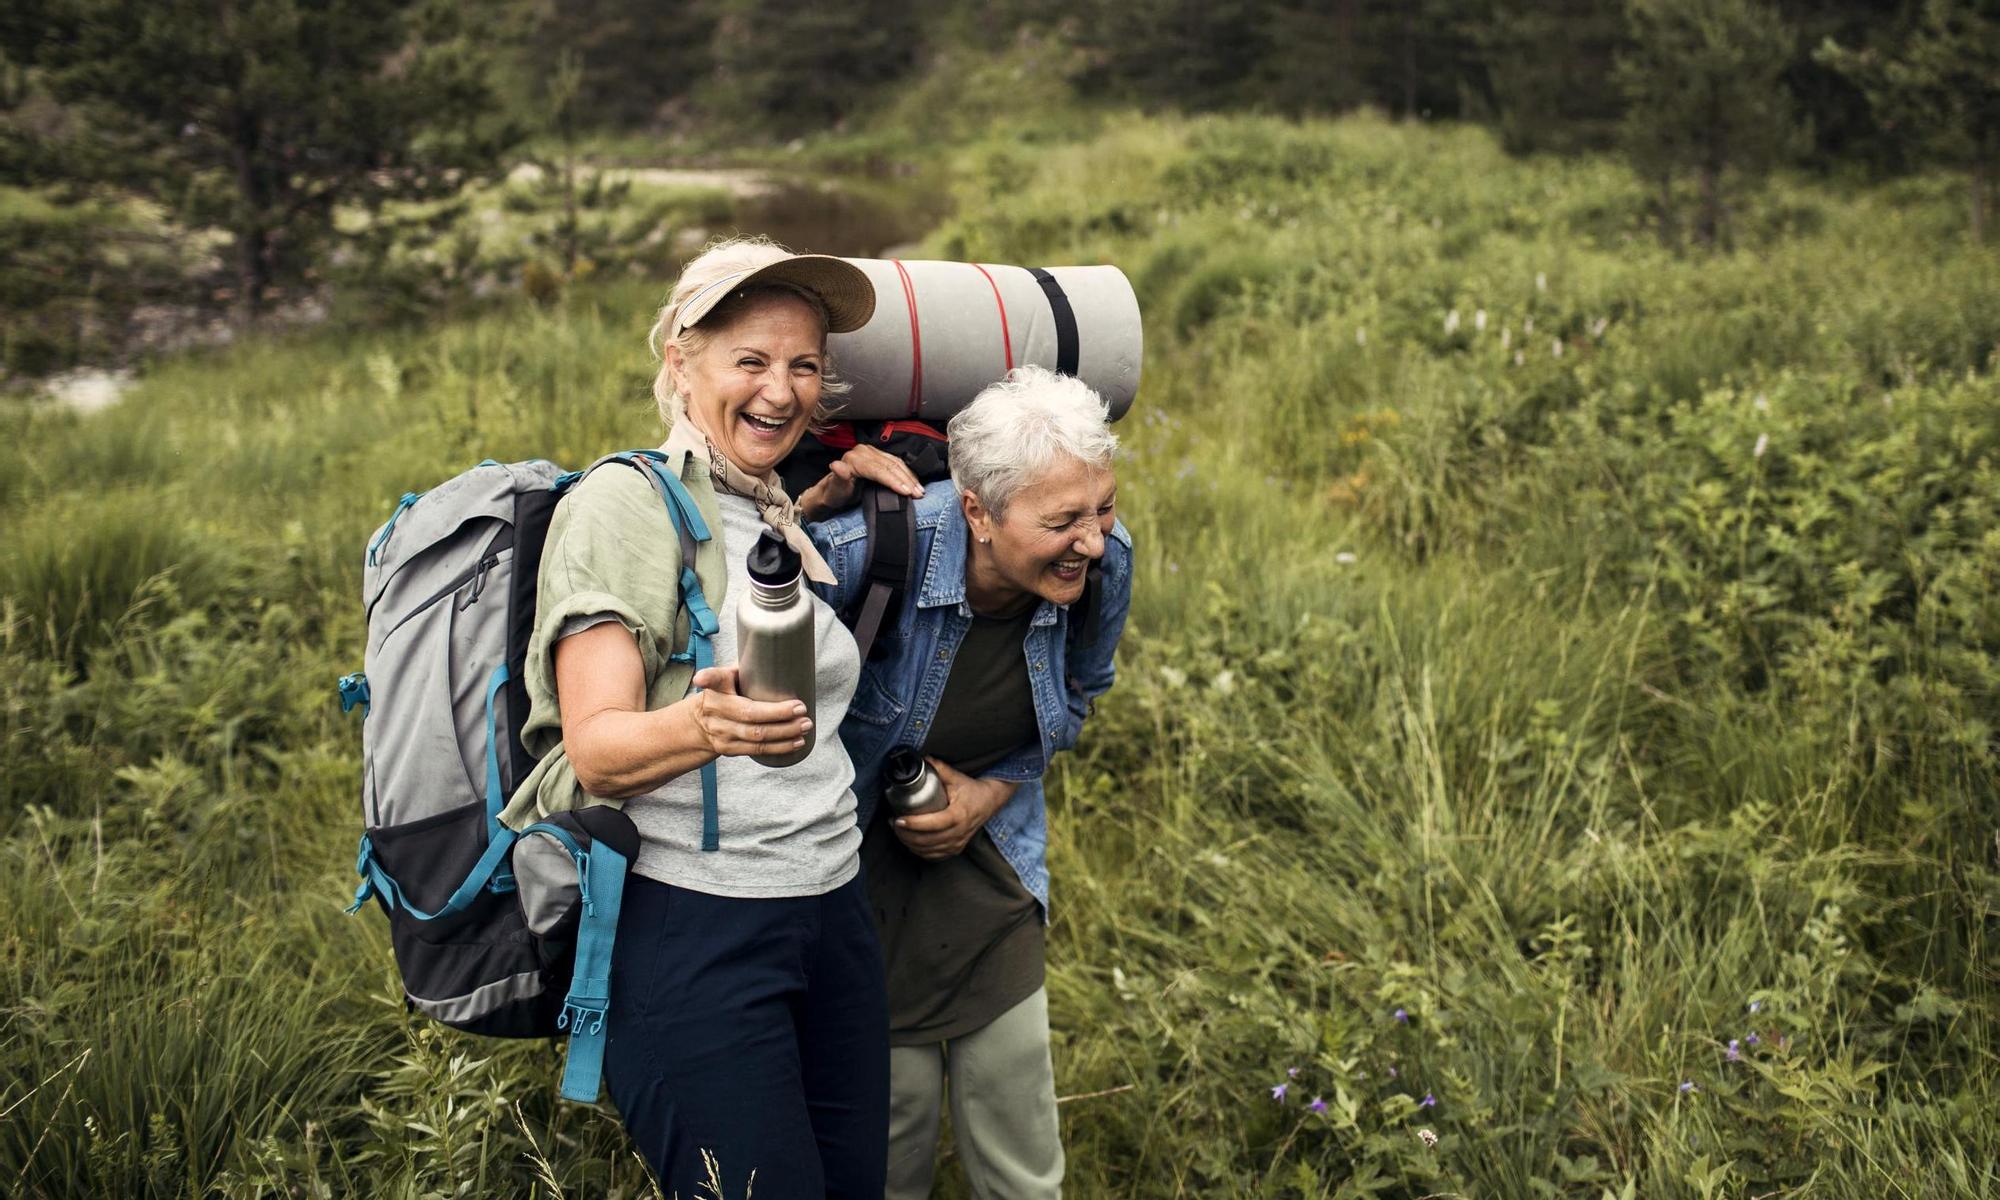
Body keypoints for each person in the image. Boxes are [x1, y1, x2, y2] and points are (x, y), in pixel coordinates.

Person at [506, 237, 925, 1198]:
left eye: (804, 365)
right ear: (679, 361)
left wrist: (822, 497)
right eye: (750, 360)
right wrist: (706, 728)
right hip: (693, 927)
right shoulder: (623, 505)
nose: (781, 391)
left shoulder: (770, 510)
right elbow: (598, 748)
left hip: (829, 912)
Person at [808, 365, 1134, 1198]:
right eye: (1063, 521)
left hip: (990, 869)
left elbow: (1079, 696)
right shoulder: (862, 556)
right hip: (849, 881)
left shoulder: (1102, 567)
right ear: (978, 513)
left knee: (1021, 1153)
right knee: (889, 1140)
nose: (1093, 541)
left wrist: (992, 793)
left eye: (1103, 508)